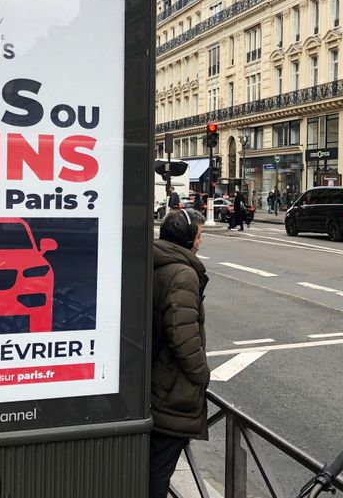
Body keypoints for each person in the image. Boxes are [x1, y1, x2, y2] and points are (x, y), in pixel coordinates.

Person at [150, 209, 209, 498]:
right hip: (170, 387)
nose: (200, 242)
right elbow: (183, 334)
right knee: (159, 471)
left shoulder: (156, 259)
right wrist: (201, 374)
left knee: (152, 466)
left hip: (153, 379)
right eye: (198, 235)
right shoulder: (183, 274)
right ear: (187, 239)